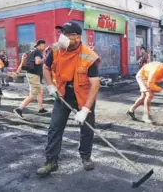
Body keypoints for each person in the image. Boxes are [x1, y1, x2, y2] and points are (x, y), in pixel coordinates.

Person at [36, 21, 100, 176]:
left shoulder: (89, 56)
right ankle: (51, 161)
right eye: (61, 33)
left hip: (84, 97)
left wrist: (85, 109)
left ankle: (86, 156)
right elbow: (46, 67)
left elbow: (95, 84)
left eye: (66, 34)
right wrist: (51, 86)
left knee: (87, 129)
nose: (61, 37)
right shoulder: (57, 48)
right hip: (62, 95)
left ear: (77, 37)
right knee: (55, 128)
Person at [13, 39, 48, 118]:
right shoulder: (37, 52)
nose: (44, 47)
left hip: (33, 74)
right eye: (43, 45)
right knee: (33, 95)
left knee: (40, 91)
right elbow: (37, 62)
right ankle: (19, 109)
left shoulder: (32, 52)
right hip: (34, 75)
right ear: (39, 45)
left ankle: (41, 109)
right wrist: (45, 57)